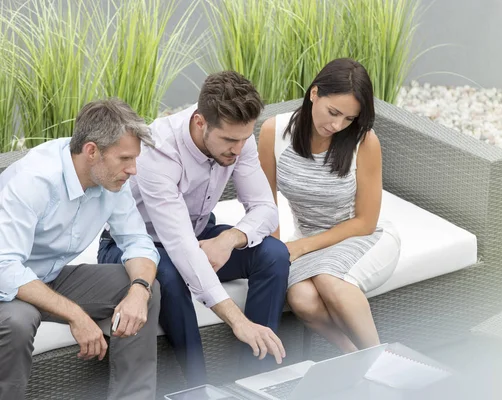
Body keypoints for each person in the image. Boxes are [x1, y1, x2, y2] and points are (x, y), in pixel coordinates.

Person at [97, 71, 290, 386]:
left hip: (197, 234)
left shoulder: (239, 139)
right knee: (170, 273)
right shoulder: (157, 150)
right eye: (229, 140)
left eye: (244, 138)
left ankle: (254, 383)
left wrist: (229, 239)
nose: (239, 149)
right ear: (201, 122)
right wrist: (238, 322)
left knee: (274, 254)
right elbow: (180, 247)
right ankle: (197, 389)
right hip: (130, 248)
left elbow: (267, 210)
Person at [0, 99, 161, 400]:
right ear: (92, 151)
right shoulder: (34, 180)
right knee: (18, 322)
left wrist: (139, 290)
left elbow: (138, 241)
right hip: (7, 289)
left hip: (52, 276)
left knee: (143, 289)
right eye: (125, 158)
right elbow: (5, 267)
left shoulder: (112, 179)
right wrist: (76, 315)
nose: (133, 169)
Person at [257, 58, 401, 353]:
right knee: (300, 299)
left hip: (361, 237)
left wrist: (302, 247)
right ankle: (354, 357)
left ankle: (380, 359)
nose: (337, 125)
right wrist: (277, 252)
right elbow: (264, 205)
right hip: (309, 240)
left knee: (329, 278)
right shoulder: (274, 132)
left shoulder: (365, 142)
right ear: (314, 93)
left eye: (348, 119)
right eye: (333, 112)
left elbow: (365, 222)